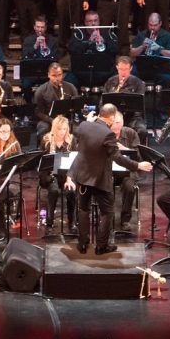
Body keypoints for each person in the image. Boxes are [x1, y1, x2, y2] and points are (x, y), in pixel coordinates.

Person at [66, 104, 152, 254]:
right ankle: (101, 246)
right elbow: (118, 158)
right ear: (111, 118)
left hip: (82, 177)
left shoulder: (84, 125)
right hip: (99, 179)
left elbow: (80, 135)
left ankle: (83, 244)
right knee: (107, 212)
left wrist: (89, 121)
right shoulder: (108, 134)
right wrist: (138, 165)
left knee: (83, 209)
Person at [39, 115, 77, 233]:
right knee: (54, 190)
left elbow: (75, 162)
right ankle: (49, 223)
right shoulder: (46, 140)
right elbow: (42, 163)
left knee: (71, 190)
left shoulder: (71, 140)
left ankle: (72, 222)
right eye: (59, 129)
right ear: (54, 128)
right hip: (50, 175)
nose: (62, 132)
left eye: (64, 129)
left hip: (67, 175)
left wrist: (69, 179)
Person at [110, 110, 141, 229]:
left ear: (123, 122)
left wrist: (124, 148)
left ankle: (125, 219)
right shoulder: (105, 134)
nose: (116, 125)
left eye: (119, 122)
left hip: (127, 170)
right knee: (104, 185)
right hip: (109, 170)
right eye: (114, 123)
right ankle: (107, 217)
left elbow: (138, 156)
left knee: (129, 186)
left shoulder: (131, 133)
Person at [104, 55, 147, 138]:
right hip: (112, 116)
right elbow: (103, 103)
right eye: (121, 69)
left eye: (126, 69)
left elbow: (140, 106)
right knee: (99, 129)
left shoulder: (138, 83)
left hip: (132, 117)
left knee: (142, 131)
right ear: (117, 68)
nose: (123, 72)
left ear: (131, 68)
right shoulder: (110, 81)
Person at [129, 12, 170, 88]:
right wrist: (142, 46)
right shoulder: (141, 35)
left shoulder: (167, 36)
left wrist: (159, 49)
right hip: (144, 68)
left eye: (155, 25)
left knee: (168, 78)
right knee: (131, 73)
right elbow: (132, 53)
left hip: (161, 68)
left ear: (160, 23)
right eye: (150, 25)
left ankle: (161, 98)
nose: (152, 28)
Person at [33, 62, 78, 139]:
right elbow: (37, 112)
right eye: (54, 75)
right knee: (43, 129)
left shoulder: (71, 87)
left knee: (77, 130)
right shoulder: (41, 90)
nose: (57, 78)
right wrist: (52, 120)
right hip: (48, 120)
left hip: (66, 118)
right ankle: (45, 148)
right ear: (48, 75)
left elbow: (76, 105)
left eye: (59, 75)